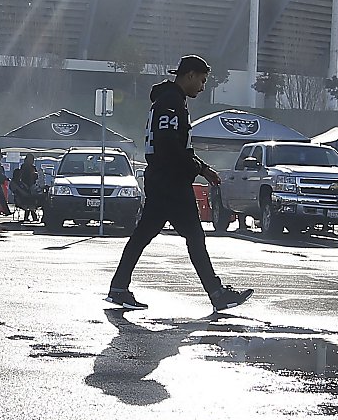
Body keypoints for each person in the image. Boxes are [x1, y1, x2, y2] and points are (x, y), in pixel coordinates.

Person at [107, 54, 252, 312]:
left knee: (144, 235)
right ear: (190, 75)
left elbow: (177, 145)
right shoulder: (171, 103)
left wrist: (202, 168)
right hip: (170, 182)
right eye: (202, 80)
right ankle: (217, 293)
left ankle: (119, 287)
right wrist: (199, 169)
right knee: (194, 237)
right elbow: (170, 146)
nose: (203, 87)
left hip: (162, 179)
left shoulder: (170, 101)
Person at [12, 154, 42, 221]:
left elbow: (36, 177)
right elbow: (25, 176)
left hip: (30, 186)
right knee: (30, 199)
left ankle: (31, 216)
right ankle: (32, 216)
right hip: (26, 185)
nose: (32, 161)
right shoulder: (25, 167)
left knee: (31, 198)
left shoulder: (32, 167)